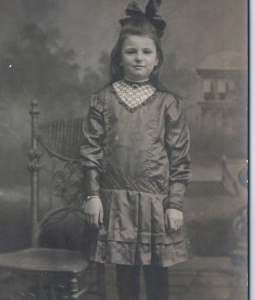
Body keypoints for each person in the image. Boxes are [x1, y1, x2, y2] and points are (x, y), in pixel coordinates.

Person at [80, 1, 192, 299]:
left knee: (157, 279)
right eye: (131, 52)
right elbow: (91, 152)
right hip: (116, 204)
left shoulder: (168, 103)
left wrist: (175, 204)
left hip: (156, 205)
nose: (139, 58)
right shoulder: (103, 100)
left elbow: (180, 160)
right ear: (119, 58)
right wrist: (92, 196)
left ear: (157, 59)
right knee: (125, 278)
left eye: (146, 52)